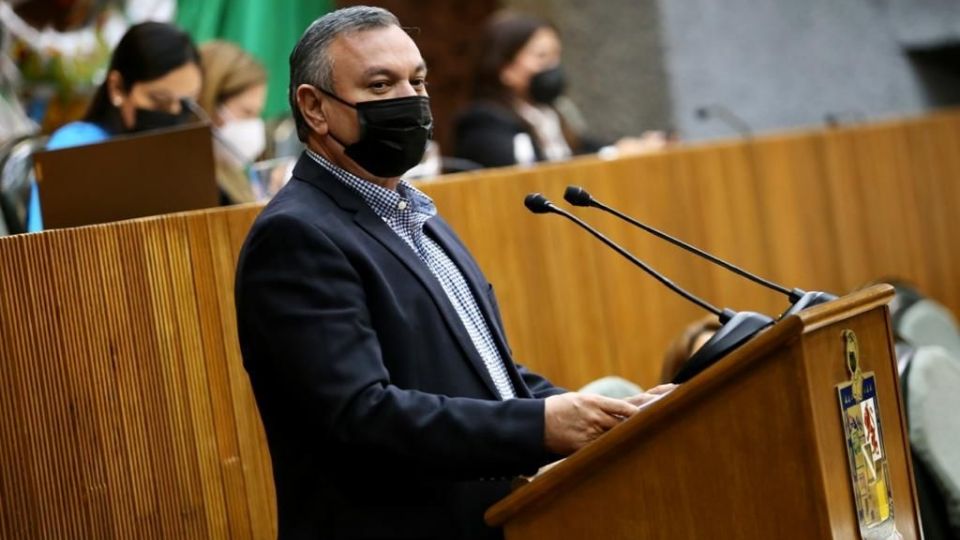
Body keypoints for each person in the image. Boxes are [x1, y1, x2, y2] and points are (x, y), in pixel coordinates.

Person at [234, 7, 672, 539]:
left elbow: (479, 372)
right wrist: (540, 427)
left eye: (417, 81)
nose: (411, 100)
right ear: (315, 107)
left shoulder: (415, 214)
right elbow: (361, 415)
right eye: (380, 84)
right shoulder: (297, 236)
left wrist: (607, 416)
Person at [26, 21, 201, 232]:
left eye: (185, 103)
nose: (174, 112)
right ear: (117, 87)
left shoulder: (183, 157)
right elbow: (42, 243)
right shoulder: (76, 148)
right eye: (159, 100)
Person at [453, 11, 667, 169]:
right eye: (542, 57)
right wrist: (611, 155)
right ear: (505, 68)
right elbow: (532, 172)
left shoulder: (552, 112)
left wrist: (625, 147)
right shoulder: (483, 122)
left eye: (556, 56)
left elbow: (583, 147)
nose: (553, 67)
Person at [197, 40, 268, 205]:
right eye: (246, 112)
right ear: (209, 105)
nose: (254, 124)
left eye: (258, 114)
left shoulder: (237, 177)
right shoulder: (194, 189)